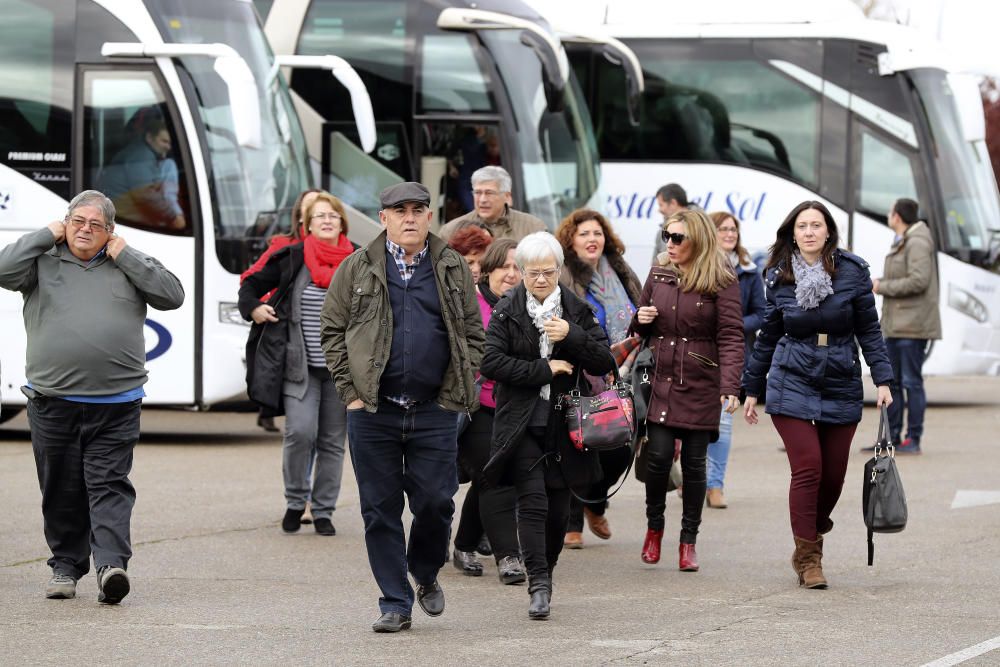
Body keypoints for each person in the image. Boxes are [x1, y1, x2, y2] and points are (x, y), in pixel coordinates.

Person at [0, 190, 184, 603]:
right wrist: (46, 234)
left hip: (116, 403)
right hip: (53, 401)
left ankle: (111, 566)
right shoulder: (41, 263)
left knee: (109, 485)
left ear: (110, 232)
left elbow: (172, 296)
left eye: (96, 225)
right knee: (61, 488)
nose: (85, 230)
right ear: (65, 223)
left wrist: (126, 254)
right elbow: (1, 269)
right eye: (77, 221)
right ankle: (65, 567)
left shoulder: (128, 264)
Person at [320, 182, 484, 633]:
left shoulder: (451, 266)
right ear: (384, 217)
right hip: (373, 411)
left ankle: (425, 571)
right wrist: (350, 392)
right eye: (400, 211)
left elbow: (473, 331)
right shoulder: (356, 268)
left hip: (435, 408)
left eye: (418, 210)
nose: (409, 218)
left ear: (429, 216)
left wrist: (463, 380)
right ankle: (395, 601)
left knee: (435, 502)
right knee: (380, 509)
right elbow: (331, 332)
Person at [742, 200, 894, 590]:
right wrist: (751, 388)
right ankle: (809, 559)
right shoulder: (778, 276)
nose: (809, 232)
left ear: (828, 232)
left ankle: (810, 523)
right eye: (802, 226)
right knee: (808, 467)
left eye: (816, 225)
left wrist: (883, 380)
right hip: (791, 376)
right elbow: (768, 336)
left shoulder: (853, 272)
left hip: (841, 375)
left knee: (833, 477)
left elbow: (870, 331)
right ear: (793, 233)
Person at [481, 232, 616, 619]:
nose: (540, 280)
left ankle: (547, 575)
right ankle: (537, 584)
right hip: (520, 422)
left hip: (564, 422)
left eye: (548, 272)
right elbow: (491, 363)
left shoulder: (575, 309)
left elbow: (603, 360)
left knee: (558, 511)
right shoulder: (508, 310)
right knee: (533, 503)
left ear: (559, 270)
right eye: (532, 272)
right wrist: (544, 367)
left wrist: (571, 337)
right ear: (520, 272)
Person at [631, 210, 744, 572]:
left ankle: (688, 541)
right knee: (658, 458)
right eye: (667, 235)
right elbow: (641, 322)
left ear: (697, 239)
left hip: (701, 380)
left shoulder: (721, 276)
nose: (670, 243)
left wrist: (730, 385)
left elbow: (730, 335)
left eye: (678, 237)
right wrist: (640, 319)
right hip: (662, 378)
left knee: (695, 466)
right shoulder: (658, 271)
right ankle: (654, 529)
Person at [239, 192, 356, 537]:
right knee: (300, 432)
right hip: (298, 367)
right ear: (306, 225)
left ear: (341, 223)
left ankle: (323, 510)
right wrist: (255, 309)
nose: (326, 220)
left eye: (332, 215)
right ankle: (295, 501)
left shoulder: (359, 260)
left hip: (342, 370)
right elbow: (251, 285)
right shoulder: (291, 256)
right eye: (318, 216)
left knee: (333, 442)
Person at [554, 208, 642, 549]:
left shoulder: (618, 269)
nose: (592, 240)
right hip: (579, 369)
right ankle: (572, 521)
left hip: (622, 369)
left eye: (597, 233)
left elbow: (639, 307)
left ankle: (595, 502)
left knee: (620, 447)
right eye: (584, 234)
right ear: (570, 240)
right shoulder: (563, 272)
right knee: (579, 441)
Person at [451, 238, 526, 585]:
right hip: (476, 405)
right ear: (488, 270)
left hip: (517, 407)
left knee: (487, 481)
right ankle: (508, 556)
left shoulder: (531, 307)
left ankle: (464, 545)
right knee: (495, 475)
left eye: (517, 268)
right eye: (504, 267)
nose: (511, 275)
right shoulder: (472, 305)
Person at [242, 188, 323, 433]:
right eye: (311, 208)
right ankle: (270, 411)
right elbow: (250, 278)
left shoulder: (346, 251)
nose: (319, 215)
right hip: (283, 323)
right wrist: (263, 304)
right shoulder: (284, 246)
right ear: (301, 216)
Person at [705, 211, 766, 509]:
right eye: (723, 229)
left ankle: (715, 485)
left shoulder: (748, 271)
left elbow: (761, 312)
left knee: (723, 424)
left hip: (732, 354)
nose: (730, 234)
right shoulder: (697, 266)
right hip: (697, 355)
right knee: (692, 423)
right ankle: (694, 477)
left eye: (734, 230)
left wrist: (732, 324)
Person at [869, 198, 940, 455]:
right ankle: (891, 438)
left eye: (890, 212)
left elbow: (918, 281)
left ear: (897, 216)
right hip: (897, 324)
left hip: (912, 326)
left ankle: (913, 439)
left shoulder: (917, 241)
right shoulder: (904, 240)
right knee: (893, 383)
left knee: (911, 382)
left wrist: (881, 286)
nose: (889, 215)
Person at [99, 110, 186, 232]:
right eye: (164, 141)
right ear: (150, 138)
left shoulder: (142, 151)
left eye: (170, 143)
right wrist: (173, 216)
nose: (168, 147)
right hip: (122, 212)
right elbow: (144, 194)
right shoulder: (141, 156)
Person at [438, 166, 546, 242]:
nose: (482, 199)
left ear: (507, 197)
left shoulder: (533, 229)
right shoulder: (451, 232)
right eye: (478, 193)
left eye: (489, 193)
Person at [649, 183, 692, 264]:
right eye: (666, 236)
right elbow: (655, 264)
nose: (669, 245)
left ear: (673, 203)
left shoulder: (703, 227)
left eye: (661, 205)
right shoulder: (661, 231)